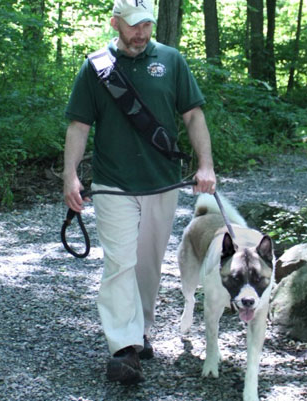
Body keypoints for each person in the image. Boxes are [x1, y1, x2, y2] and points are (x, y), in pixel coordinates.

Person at [62, 0, 216, 385]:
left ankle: (141, 328)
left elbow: (194, 115)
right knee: (120, 263)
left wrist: (205, 165)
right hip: (113, 184)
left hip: (161, 181)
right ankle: (124, 347)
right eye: (132, 26)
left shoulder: (172, 60)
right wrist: (70, 176)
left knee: (148, 264)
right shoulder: (95, 67)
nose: (140, 33)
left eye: (146, 25)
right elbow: (79, 125)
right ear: (115, 23)